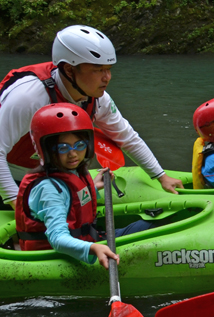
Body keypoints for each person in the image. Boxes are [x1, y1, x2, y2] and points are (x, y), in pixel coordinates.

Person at [0, 25, 183, 208]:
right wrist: (16, 202)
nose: (107, 77)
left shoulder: (97, 99)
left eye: (109, 69)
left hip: (54, 175)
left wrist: (161, 176)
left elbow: (127, 138)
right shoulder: (28, 97)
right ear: (69, 70)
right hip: (12, 177)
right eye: (98, 70)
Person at [15, 103, 155, 269]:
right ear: (46, 150)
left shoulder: (73, 172)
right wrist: (93, 248)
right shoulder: (49, 189)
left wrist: (93, 187)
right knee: (149, 230)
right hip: (61, 257)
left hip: (88, 240)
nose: (73, 153)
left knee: (150, 225)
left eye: (79, 145)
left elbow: (71, 204)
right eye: (63, 148)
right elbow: (57, 238)